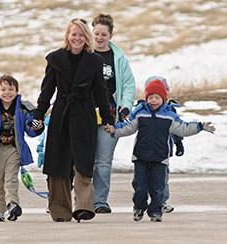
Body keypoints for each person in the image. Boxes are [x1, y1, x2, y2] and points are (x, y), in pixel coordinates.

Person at [33, 18, 114, 223]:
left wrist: (107, 117)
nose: (77, 38)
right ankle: (60, 210)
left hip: (84, 114)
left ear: (86, 38)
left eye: (81, 34)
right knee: (58, 160)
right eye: (73, 34)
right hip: (61, 113)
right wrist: (38, 115)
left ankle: (84, 207)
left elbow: (101, 92)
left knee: (83, 160)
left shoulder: (94, 61)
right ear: (68, 37)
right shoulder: (55, 59)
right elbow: (47, 90)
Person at [103, 79, 215, 222]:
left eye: (157, 98)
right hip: (141, 157)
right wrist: (114, 129)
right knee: (140, 186)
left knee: (158, 188)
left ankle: (155, 211)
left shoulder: (169, 116)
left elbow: (183, 128)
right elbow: (127, 127)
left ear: (163, 99)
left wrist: (200, 127)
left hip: (160, 158)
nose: (153, 101)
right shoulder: (140, 113)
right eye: (150, 97)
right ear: (146, 98)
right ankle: (139, 207)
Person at [0, 75, 42, 222]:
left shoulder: (24, 106)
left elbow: (31, 127)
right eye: (3, 89)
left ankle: (13, 204)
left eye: (11, 89)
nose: (7, 93)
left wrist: (36, 126)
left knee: (11, 179)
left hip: (14, 148)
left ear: (17, 90)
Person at [91, 13, 136, 214]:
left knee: (102, 160)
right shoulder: (83, 53)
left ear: (110, 35)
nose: (99, 37)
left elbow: (128, 85)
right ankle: (78, 200)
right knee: (80, 158)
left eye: (103, 34)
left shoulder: (118, 59)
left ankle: (100, 201)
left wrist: (125, 106)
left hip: (108, 115)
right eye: (96, 33)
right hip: (84, 113)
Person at [142, 76, 183, 214]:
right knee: (144, 178)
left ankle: (162, 201)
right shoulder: (142, 109)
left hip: (163, 150)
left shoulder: (170, 109)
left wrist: (179, 143)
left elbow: (177, 128)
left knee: (162, 177)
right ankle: (144, 201)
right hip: (145, 151)